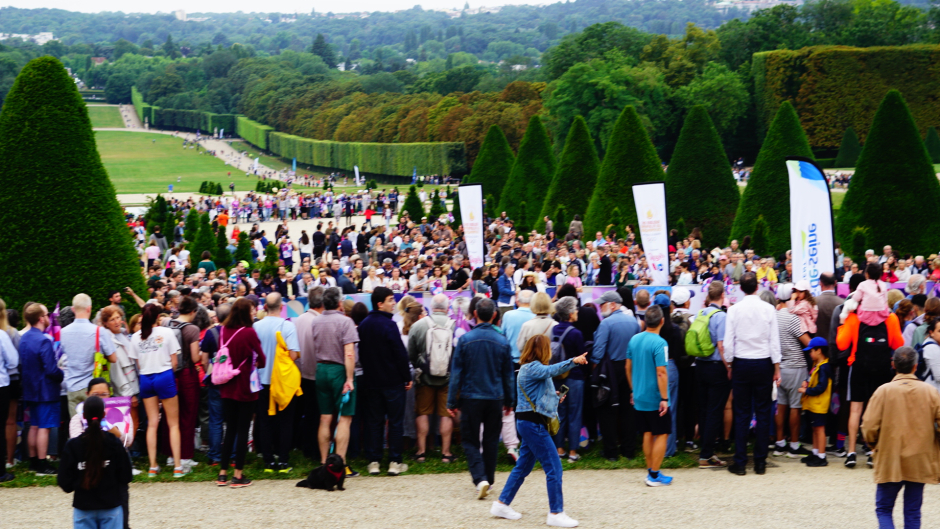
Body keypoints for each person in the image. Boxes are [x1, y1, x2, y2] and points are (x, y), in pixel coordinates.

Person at [490, 335, 588, 528]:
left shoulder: (529, 369)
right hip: (533, 425)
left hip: (530, 424)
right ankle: (556, 512)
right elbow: (552, 370)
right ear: (544, 350)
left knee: (523, 467)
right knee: (554, 467)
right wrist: (573, 361)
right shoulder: (533, 367)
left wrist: (555, 396)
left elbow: (537, 396)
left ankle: (501, 504)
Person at [862, 346, 940, 529]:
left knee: (884, 508)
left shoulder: (883, 391)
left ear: (893, 365)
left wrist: (874, 445)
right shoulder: (930, 392)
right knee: (913, 511)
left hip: (890, 457)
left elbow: (868, 426)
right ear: (915, 366)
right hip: (920, 458)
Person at [447, 297, 515, 499]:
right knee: (492, 439)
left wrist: (451, 401)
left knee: (469, 440)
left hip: (470, 397)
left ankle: (480, 478)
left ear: (475, 314)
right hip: (495, 397)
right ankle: (488, 479)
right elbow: (508, 376)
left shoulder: (465, 340)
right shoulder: (502, 341)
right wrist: (510, 401)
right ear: (494, 315)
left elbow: (456, 373)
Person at [837, 288, 904, 469]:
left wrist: (842, 323)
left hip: (858, 367)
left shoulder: (854, 318)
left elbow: (841, 344)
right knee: (879, 411)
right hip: (882, 368)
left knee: (855, 410)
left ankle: (851, 452)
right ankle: (873, 452)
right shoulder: (890, 318)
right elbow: (899, 344)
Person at [723, 272, 781, 476]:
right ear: (757, 287)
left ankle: (740, 462)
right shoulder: (768, 309)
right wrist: (776, 367)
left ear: (740, 288)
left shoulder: (734, 310)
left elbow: (729, 342)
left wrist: (730, 364)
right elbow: (774, 340)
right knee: (764, 412)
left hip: (741, 361)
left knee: (742, 412)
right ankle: (760, 462)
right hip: (763, 361)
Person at [358, 287, 412, 476]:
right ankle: (394, 461)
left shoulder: (364, 325)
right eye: (390, 300)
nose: (393, 304)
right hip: (392, 382)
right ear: (380, 303)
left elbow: (362, 355)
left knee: (374, 421)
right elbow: (400, 354)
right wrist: (407, 376)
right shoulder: (389, 325)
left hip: (371, 381)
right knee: (395, 422)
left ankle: (374, 460)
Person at [129, 304, 186, 478]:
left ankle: (153, 466)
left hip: (146, 378)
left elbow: (137, 364)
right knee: (173, 423)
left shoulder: (136, 337)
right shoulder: (167, 332)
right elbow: (175, 362)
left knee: (152, 423)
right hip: (165, 375)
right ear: (157, 318)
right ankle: (177, 466)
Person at [58, 396, 132, 529]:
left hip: (83, 506)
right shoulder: (114, 443)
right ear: (104, 415)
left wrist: (79, 481)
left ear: (84, 416)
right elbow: (126, 476)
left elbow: (64, 482)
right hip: (111, 505)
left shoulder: (73, 445)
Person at [215, 298, 266, 488]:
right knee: (243, 430)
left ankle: (222, 473)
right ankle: (238, 474)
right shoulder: (249, 332)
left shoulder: (223, 331)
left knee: (230, 430)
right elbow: (262, 358)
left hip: (226, 384)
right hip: (245, 385)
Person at [310, 287, 360, 471]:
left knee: (325, 418)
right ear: (339, 303)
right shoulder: (346, 322)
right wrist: (349, 378)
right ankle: (340, 464)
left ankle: (324, 463)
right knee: (345, 419)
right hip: (339, 370)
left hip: (321, 368)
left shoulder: (316, 321)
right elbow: (349, 353)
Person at [253, 293, 301, 473]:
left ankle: (267, 461)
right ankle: (283, 461)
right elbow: (294, 355)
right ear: (282, 307)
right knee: (285, 421)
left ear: (265, 307)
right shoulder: (287, 326)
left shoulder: (256, 326)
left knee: (265, 421)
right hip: (282, 381)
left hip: (261, 380)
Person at [625, 305, 672, 486]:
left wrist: (632, 390)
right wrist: (664, 398)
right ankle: (654, 474)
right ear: (662, 321)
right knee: (662, 432)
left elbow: (627, 367)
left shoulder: (634, 339)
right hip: (655, 395)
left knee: (647, 432)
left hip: (639, 394)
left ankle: (651, 470)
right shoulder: (660, 343)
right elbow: (661, 372)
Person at [590, 291, 640, 461]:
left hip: (610, 369)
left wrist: (595, 368)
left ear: (612, 304)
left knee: (607, 409)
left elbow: (597, 352)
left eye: (602, 304)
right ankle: (629, 450)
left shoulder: (606, 323)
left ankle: (611, 452)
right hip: (630, 367)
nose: (600, 307)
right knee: (628, 409)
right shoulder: (633, 322)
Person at [407, 294, 456, 463]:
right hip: (449, 378)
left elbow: (411, 354)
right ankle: (446, 453)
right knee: (446, 414)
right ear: (447, 308)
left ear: (432, 306)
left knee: (422, 413)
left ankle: (421, 452)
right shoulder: (455, 326)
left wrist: (421, 365)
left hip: (424, 378)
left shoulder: (419, 325)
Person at [20, 303, 63, 476]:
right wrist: (61, 374)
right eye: (46, 315)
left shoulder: (24, 338)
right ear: (40, 318)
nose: (49, 318)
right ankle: (42, 463)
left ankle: (33, 461)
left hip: (30, 388)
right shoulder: (44, 340)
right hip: (45, 389)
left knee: (34, 426)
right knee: (44, 427)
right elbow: (51, 369)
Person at [771, 284, 811, 459]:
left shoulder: (773, 316)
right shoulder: (793, 318)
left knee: (781, 405)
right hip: (796, 366)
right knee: (795, 406)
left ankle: (780, 443)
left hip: (779, 367)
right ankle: (794, 445)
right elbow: (807, 342)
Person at [695, 282, 731, 468]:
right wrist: (729, 367)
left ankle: (706, 450)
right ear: (722, 296)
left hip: (700, 365)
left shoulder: (700, 313)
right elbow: (721, 345)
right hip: (716, 367)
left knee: (704, 410)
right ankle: (706, 455)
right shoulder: (721, 316)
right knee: (715, 411)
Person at [62, 294, 116, 417]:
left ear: (73, 309)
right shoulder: (98, 331)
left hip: (71, 387)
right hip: (93, 387)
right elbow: (113, 358)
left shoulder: (63, 332)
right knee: (96, 426)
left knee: (77, 428)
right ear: (89, 309)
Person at [551, 297, 587, 461]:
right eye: (576, 309)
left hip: (558, 378)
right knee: (574, 413)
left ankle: (559, 449)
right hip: (575, 378)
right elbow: (581, 357)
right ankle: (573, 451)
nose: (577, 312)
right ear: (571, 313)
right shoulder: (576, 333)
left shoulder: (553, 330)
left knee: (560, 412)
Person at [294, 286, 325, 460]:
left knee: (306, 412)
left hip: (301, 372)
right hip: (316, 372)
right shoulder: (319, 321)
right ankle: (312, 448)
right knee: (316, 414)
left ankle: (304, 445)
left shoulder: (299, 319)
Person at [798, 337, 833, 467]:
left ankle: (822, 456)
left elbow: (821, 387)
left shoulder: (824, 367)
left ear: (819, 351)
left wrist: (806, 391)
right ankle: (815, 452)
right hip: (813, 404)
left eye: (811, 351)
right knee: (814, 429)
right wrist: (806, 383)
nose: (809, 353)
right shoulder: (816, 365)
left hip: (819, 404)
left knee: (819, 429)